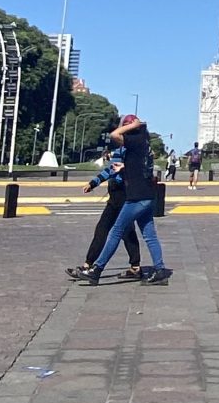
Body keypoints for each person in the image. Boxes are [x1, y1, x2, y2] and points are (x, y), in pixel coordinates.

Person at [71, 116, 171, 285]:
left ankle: (97, 270)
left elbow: (114, 135)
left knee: (116, 231)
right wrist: (124, 167)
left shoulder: (134, 141)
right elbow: (140, 167)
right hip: (147, 195)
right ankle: (160, 270)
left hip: (136, 196)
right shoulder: (144, 144)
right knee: (149, 235)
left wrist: (131, 125)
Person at [68, 145, 142, 283]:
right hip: (114, 197)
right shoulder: (119, 150)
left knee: (127, 232)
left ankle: (135, 266)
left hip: (125, 194)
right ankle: (87, 264)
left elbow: (139, 168)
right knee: (102, 228)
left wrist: (125, 167)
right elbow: (109, 170)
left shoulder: (134, 150)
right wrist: (93, 183)